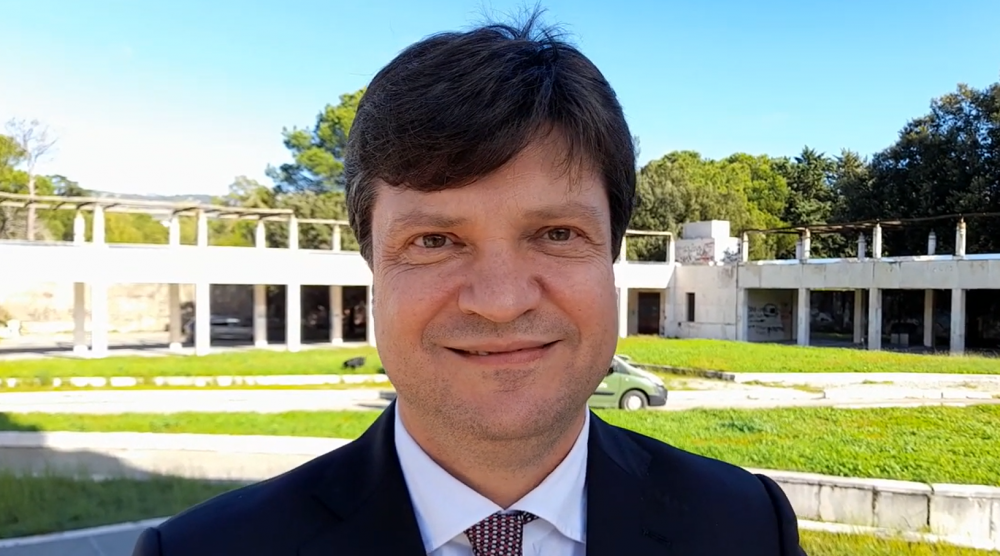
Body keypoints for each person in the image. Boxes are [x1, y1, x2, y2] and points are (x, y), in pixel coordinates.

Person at [132, 11, 807, 556]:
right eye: (434, 241)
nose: (501, 301)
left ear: (612, 259)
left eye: (557, 233)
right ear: (373, 270)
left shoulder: (748, 528)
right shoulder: (200, 551)